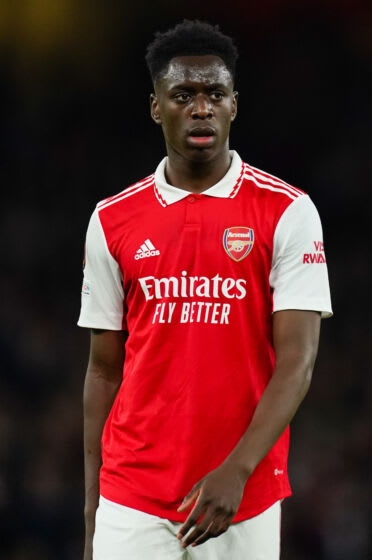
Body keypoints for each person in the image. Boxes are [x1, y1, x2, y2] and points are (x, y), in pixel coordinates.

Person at [78, 20, 331, 559]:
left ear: (234, 105)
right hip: (132, 495)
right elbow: (102, 370)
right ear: (156, 107)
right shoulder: (112, 220)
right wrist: (93, 509)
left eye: (215, 94)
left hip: (244, 496)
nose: (201, 108)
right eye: (183, 95)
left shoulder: (288, 212)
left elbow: (298, 361)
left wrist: (236, 470)